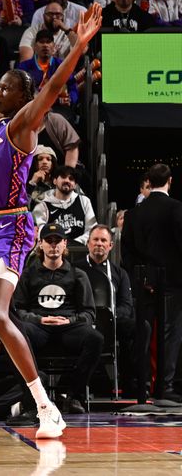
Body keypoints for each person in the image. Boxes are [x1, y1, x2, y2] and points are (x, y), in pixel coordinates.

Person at [0, 5, 101, 438]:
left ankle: (46, 407)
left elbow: (54, 85)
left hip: (12, 227)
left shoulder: (24, 124)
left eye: (6, 88)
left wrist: (79, 45)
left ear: (22, 97)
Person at [13, 223, 103, 413]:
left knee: (95, 338)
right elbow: (17, 311)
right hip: (39, 325)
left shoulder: (78, 275)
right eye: (49, 241)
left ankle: (71, 396)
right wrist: (38, 320)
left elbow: (89, 313)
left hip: (68, 326)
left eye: (58, 241)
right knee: (19, 333)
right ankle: (35, 397)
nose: (53, 245)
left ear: (64, 245)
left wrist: (69, 321)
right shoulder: (28, 275)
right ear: (41, 244)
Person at [122, 163, 182, 402]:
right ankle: (165, 388)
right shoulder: (176, 208)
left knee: (144, 335)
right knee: (171, 335)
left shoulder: (134, 213)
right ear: (170, 181)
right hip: (173, 283)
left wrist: (142, 276)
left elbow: (126, 252)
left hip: (144, 282)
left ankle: (143, 388)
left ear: (149, 181)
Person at [75, 224, 135, 393]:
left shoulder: (120, 273)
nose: (99, 244)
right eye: (95, 240)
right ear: (88, 243)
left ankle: (131, 383)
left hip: (112, 321)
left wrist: (110, 316)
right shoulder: (76, 269)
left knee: (141, 327)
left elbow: (126, 305)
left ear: (111, 245)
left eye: (103, 240)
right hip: (83, 322)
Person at [32, 165, 97, 245]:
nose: (67, 180)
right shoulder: (42, 204)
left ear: (75, 185)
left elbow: (92, 230)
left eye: (71, 179)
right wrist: (59, 245)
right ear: (55, 181)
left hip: (79, 250)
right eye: (63, 177)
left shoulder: (84, 201)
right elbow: (40, 233)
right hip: (52, 250)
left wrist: (73, 244)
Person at [17, 29, 78, 109]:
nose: (45, 45)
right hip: (32, 109)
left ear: (53, 46)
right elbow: (19, 91)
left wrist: (71, 99)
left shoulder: (63, 65)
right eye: (41, 42)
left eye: (48, 42)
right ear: (35, 46)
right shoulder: (24, 67)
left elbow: (73, 87)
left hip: (58, 108)